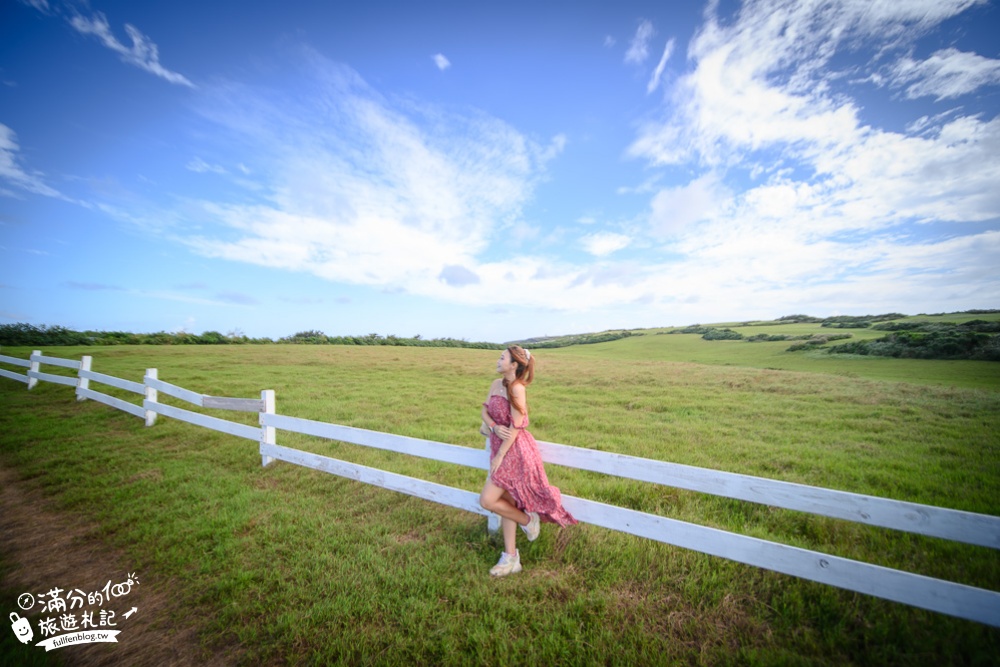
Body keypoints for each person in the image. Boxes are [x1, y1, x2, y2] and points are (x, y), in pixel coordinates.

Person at [479, 345, 577, 576]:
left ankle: (528, 520)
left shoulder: (517, 389)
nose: (498, 359)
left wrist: (501, 455)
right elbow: (484, 411)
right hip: (499, 446)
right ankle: (511, 557)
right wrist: (493, 426)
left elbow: (517, 425)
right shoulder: (495, 384)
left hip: (514, 452)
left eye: (502, 357)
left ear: (514, 365)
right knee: (506, 503)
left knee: (487, 500)